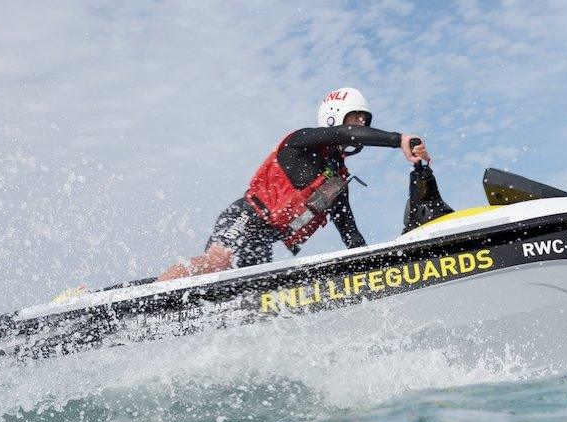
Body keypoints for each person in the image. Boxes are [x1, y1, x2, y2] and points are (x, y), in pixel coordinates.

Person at [156, 87, 431, 282]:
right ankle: (155, 293)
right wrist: (398, 139)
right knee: (218, 263)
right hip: (245, 218)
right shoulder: (301, 143)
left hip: (263, 240)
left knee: (257, 293)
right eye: (357, 117)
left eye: (365, 121)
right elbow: (342, 132)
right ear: (336, 116)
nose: (362, 125)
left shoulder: (335, 181)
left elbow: (351, 235)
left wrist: (378, 273)